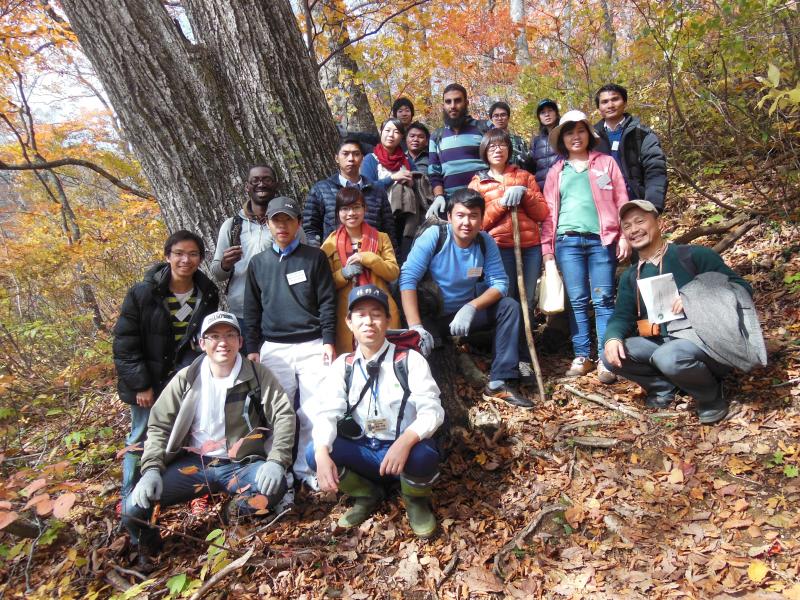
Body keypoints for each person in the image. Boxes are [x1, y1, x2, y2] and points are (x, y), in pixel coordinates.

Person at [122, 312, 296, 571]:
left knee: (273, 487)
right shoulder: (186, 378)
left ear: (239, 341)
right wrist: (150, 470)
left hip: (242, 463)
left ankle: (232, 513)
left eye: (229, 335)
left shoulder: (257, 375)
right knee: (133, 508)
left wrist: (276, 460)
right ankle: (149, 546)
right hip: (195, 463)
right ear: (202, 343)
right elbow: (158, 425)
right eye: (214, 336)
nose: (222, 342)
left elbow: (283, 415)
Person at [602, 201, 763, 424]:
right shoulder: (631, 276)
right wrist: (611, 338)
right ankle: (664, 388)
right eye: (627, 226)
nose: (634, 229)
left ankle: (710, 396)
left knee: (668, 356)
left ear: (659, 223)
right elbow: (621, 315)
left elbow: (740, 287)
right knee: (611, 356)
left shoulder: (693, 256)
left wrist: (694, 297)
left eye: (640, 221)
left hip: (707, 342)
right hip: (661, 341)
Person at [307, 284, 444, 537]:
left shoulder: (409, 360)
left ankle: (415, 502)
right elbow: (327, 412)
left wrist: (405, 441)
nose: (368, 321)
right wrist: (321, 453)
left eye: (376, 314)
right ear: (349, 322)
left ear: (388, 320)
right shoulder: (343, 366)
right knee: (314, 452)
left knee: (424, 455)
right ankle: (367, 494)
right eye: (360, 314)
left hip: (403, 452)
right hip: (365, 451)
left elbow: (433, 410)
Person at [113, 230, 219, 511]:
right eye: (179, 253)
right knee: (141, 437)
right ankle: (131, 497)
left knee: (188, 435)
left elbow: (203, 339)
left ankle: (192, 491)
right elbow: (125, 343)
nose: (186, 260)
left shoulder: (206, 293)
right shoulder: (143, 293)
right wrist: (140, 384)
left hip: (184, 379)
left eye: (193, 254)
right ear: (168, 256)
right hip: (148, 381)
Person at [400, 188, 532, 408]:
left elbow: (501, 283)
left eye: (473, 216)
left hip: (464, 315)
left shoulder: (484, 242)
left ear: (481, 219)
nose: (466, 223)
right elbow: (407, 279)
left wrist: (471, 307)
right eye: (460, 215)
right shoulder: (436, 236)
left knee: (509, 306)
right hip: (432, 315)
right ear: (449, 217)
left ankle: (499, 380)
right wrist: (416, 327)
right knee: (432, 356)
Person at [243, 196, 336, 489]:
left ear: (297, 224)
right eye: (276, 220)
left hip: (313, 344)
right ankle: (278, 470)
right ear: (268, 224)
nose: (282, 226)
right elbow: (251, 310)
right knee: (276, 412)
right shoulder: (257, 264)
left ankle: (308, 469)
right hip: (274, 348)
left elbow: (327, 302)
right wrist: (253, 348)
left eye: (288, 220)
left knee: (313, 410)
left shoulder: (314, 257)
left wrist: (329, 340)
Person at [540, 110, 630, 382]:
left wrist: (624, 235)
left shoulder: (606, 164)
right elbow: (548, 214)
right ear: (562, 139)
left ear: (588, 134)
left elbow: (622, 201)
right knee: (577, 302)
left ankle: (606, 358)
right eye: (569, 132)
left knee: (603, 299)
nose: (575, 137)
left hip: (601, 240)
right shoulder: (557, 171)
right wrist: (547, 250)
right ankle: (582, 356)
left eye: (580, 131)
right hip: (567, 242)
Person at [210, 165, 304, 353]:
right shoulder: (232, 225)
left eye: (267, 179)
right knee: (248, 369)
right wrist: (225, 264)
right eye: (255, 180)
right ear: (247, 186)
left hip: (280, 311)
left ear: (275, 184)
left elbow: (303, 264)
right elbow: (216, 273)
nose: (261, 184)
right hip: (242, 311)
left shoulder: (291, 225)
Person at [468, 128, 549, 319]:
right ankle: (508, 343)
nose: (498, 150)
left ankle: (526, 343)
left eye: (502, 145)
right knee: (507, 297)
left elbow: (541, 213)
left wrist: (524, 193)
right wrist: (501, 203)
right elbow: (477, 224)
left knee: (527, 298)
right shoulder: (478, 183)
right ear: (485, 151)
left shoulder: (525, 177)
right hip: (499, 249)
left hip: (530, 247)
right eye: (492, 146)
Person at [321, 187, 401, 354]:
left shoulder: (380, 238)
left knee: (387, 359)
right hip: (347, 316)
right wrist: (343, 274)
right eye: (344, 208)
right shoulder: (329, 244)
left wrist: (369, 259)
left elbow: (393, 272)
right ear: (337, 213)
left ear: (365, 209)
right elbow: (323, 283)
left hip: (381, 310)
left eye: (356, 207)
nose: (351, 213)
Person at [303, 138, 396, 248]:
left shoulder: (376, 190)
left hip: (372, 255)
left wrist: (394, 261)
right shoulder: (322, 189)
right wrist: (318, 258)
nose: (351, 159)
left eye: (356, 154)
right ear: (337, 158)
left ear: (362, 158)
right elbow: (310, 228)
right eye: (345, 154)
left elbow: (389, 230)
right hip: (333, 256)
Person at [593, 84, 667, 212]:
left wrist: (652, 206)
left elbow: (655, 170)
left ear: (625, 102)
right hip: (603, 210)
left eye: (615, 99)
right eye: (604, 102)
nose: (610, 105)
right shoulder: (591, 139)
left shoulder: (642, 134)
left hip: (637, 205)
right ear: (599, 108)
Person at [426, 83, 488, 218]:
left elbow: (501, 161)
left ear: (466, 103)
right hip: (453, 207)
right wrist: (439, 196)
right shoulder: (436, 136)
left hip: (485, 203)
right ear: (443, 105)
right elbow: (434, 174)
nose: (452, 106)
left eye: (457, 100)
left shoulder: (485, 128)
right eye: (448, 102)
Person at [488, 100, 531, 172]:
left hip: (518, 179)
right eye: (496, 116)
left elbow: (527, 164)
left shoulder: (519, 141)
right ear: (491, 119)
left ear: (508, 117)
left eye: (503, 115)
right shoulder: (487, 140)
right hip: (495, 180)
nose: (500, 118)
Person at [529, 99, 561, 192]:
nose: (547, 114)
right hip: (542, 190)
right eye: (543, 112)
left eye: (550, 110)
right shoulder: (536, 141)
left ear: (556, 113)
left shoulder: (565, 135)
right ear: (539, 118)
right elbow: (532, 168)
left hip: (561, 187)